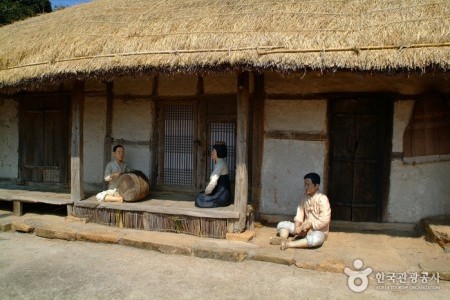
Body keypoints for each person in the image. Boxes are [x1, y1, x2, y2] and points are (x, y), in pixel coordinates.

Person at [270, 172, 331, 250]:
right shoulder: (304, 197)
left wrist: (309, 225)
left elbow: (325, 220)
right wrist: (297, 227)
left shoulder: (323, 199)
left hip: (317, 230)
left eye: (308, 185)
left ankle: (289, 244)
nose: (305, 187)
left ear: (316, 186)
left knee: (316, 239)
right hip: (303, 228)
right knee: (282, 224)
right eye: (305, 184)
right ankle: (283, 239)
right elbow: (300, 213)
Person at [195, 142, 232, 208]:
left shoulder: (220, 164)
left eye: (213, 151)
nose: (211, 153)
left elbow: (213, 182)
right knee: (200, 195)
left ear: (218, 153)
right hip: (221, 193)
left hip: (222, 195)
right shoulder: (220, 163)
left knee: (199, 199)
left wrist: (206, 192)